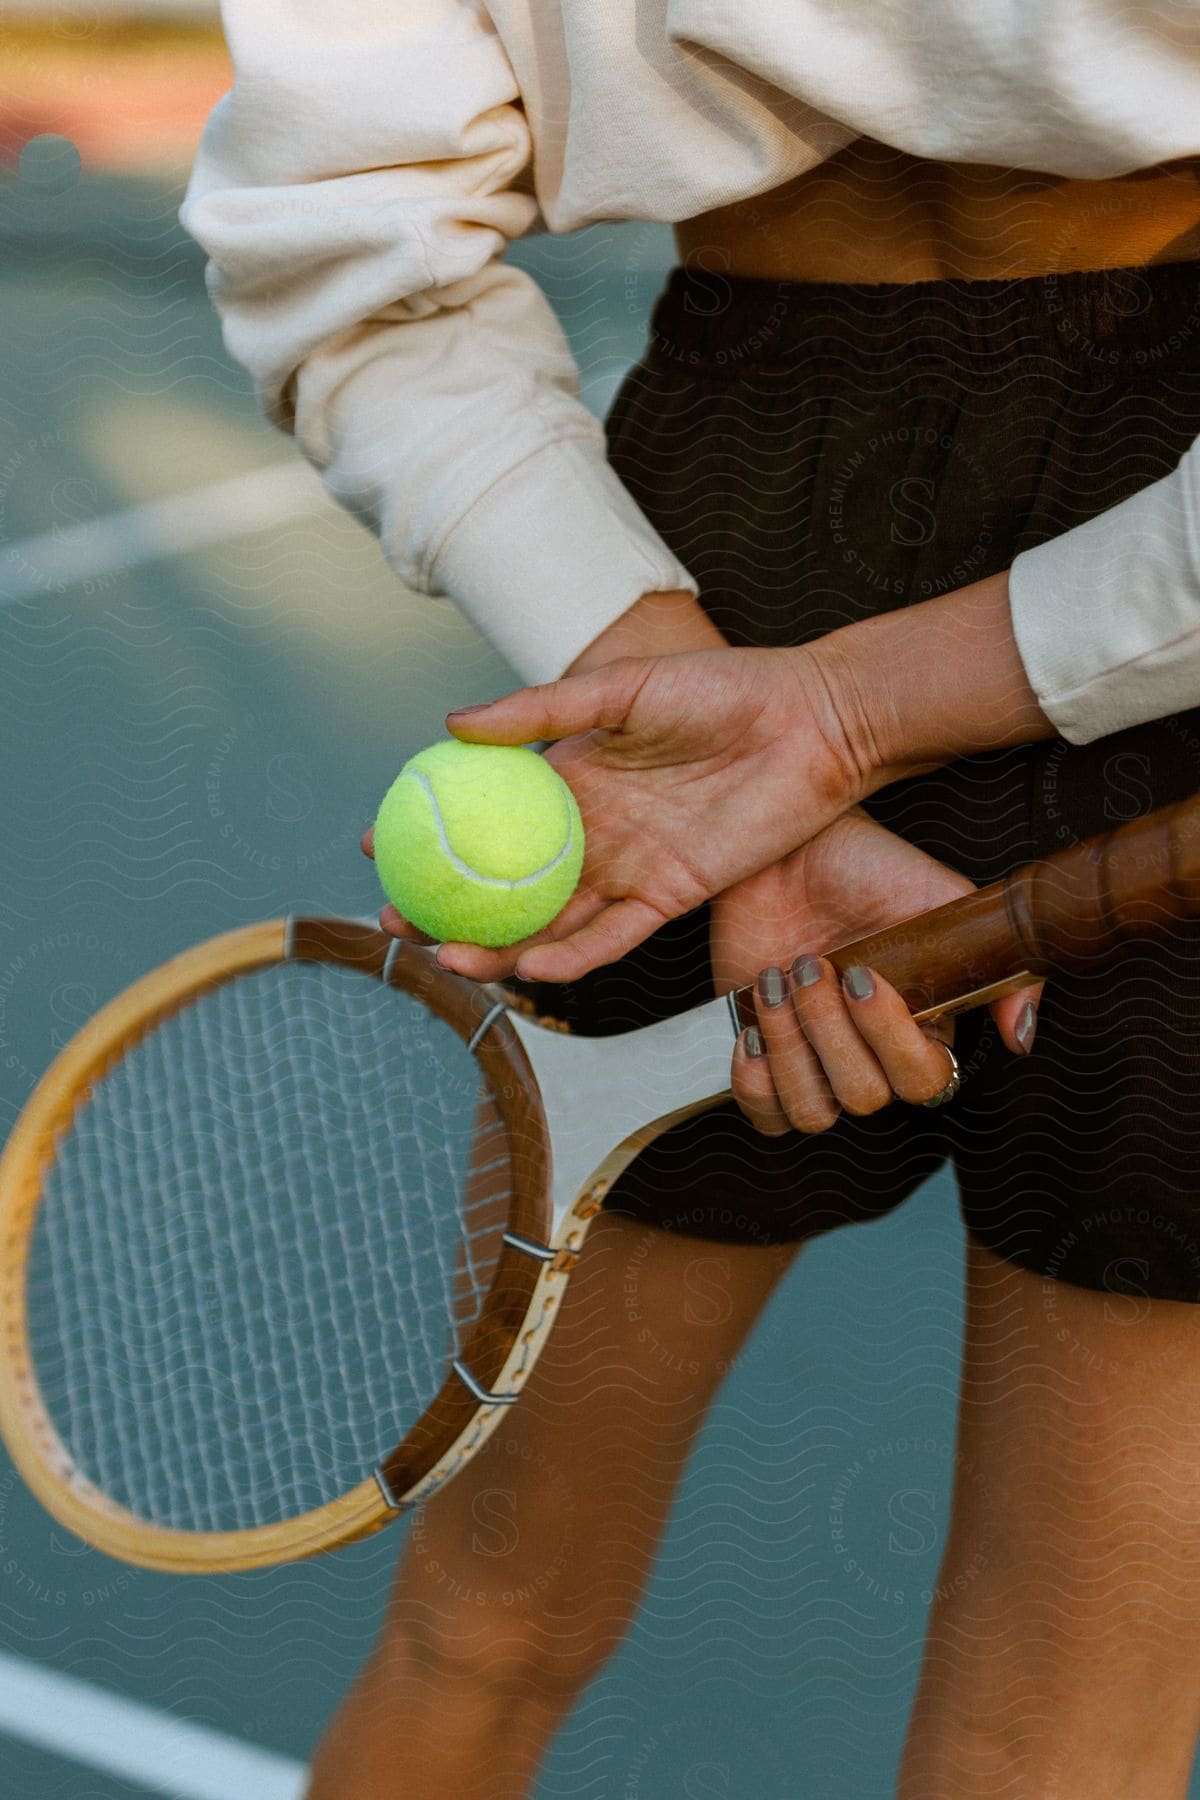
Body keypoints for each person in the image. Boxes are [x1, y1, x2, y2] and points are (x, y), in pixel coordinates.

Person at [181, 7, 1200, 1794]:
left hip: (761, 557)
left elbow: (341, 229)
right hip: (714, 593)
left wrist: (815, 710)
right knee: (1049, 1738)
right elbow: (342, 222)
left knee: (491, 1639)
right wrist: (748, 722)